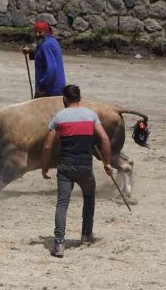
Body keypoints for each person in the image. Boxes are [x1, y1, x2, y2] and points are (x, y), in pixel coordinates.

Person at [40, 85, 113, 258]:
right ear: (79, 98)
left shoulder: (58, 117)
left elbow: (48, 145)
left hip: (64, 166)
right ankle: (86, 235)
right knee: (89, 197)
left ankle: (59, 243)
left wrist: (44, 166)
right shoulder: (90, 115)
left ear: (65, 99)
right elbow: (104, 138)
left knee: (62, 203)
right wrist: (107, 163)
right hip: (84, 166)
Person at [21, 20, 66, 98]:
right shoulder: (52, 41)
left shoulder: (46, 45)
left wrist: (42, 86)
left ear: (46, 32)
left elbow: (52, 68)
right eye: (36, 32)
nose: (37, 34)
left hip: (50, 89)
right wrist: (30, 51)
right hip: (57, 86)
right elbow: (42, 53)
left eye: (40, 32)